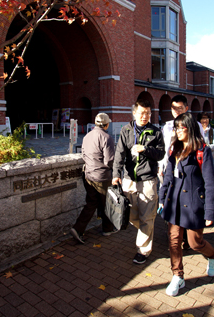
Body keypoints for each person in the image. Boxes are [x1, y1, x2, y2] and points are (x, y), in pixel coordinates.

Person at [158, 113, 214, 296]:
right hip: (174, 202)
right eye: (175, 128)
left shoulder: (202, 151)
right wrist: (162, 198)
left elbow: (210, 183)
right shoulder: (174, 149)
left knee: (194, 243)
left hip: (194, 204)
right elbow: (168, 176)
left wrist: (210, 211)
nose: (177, 131)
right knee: (174, 241)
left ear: (190, 129)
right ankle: (178, 276)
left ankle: (213, 255)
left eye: (181, 128)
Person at [112, 99, 165, 264]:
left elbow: (161, 154)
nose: (145, 116)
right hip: (129, 180)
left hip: (148, 181)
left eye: (148, 113)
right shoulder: (126, 130)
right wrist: (116, 174)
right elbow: (119, 153)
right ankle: (145, 232)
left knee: (147, 216)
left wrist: (146, 150)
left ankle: (143, 250)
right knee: (132, 216)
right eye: (142, 112)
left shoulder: (156, 132)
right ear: (134, 113)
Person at [70, 113, 116, 244]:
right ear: (107, 124)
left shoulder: (87, 136)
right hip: (102, 177)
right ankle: (107, 229)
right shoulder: (107, 137)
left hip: (89, 175)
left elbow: (83, 154)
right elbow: (109, 161)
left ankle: (78, 228)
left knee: (91, 203)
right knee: (107, 203)